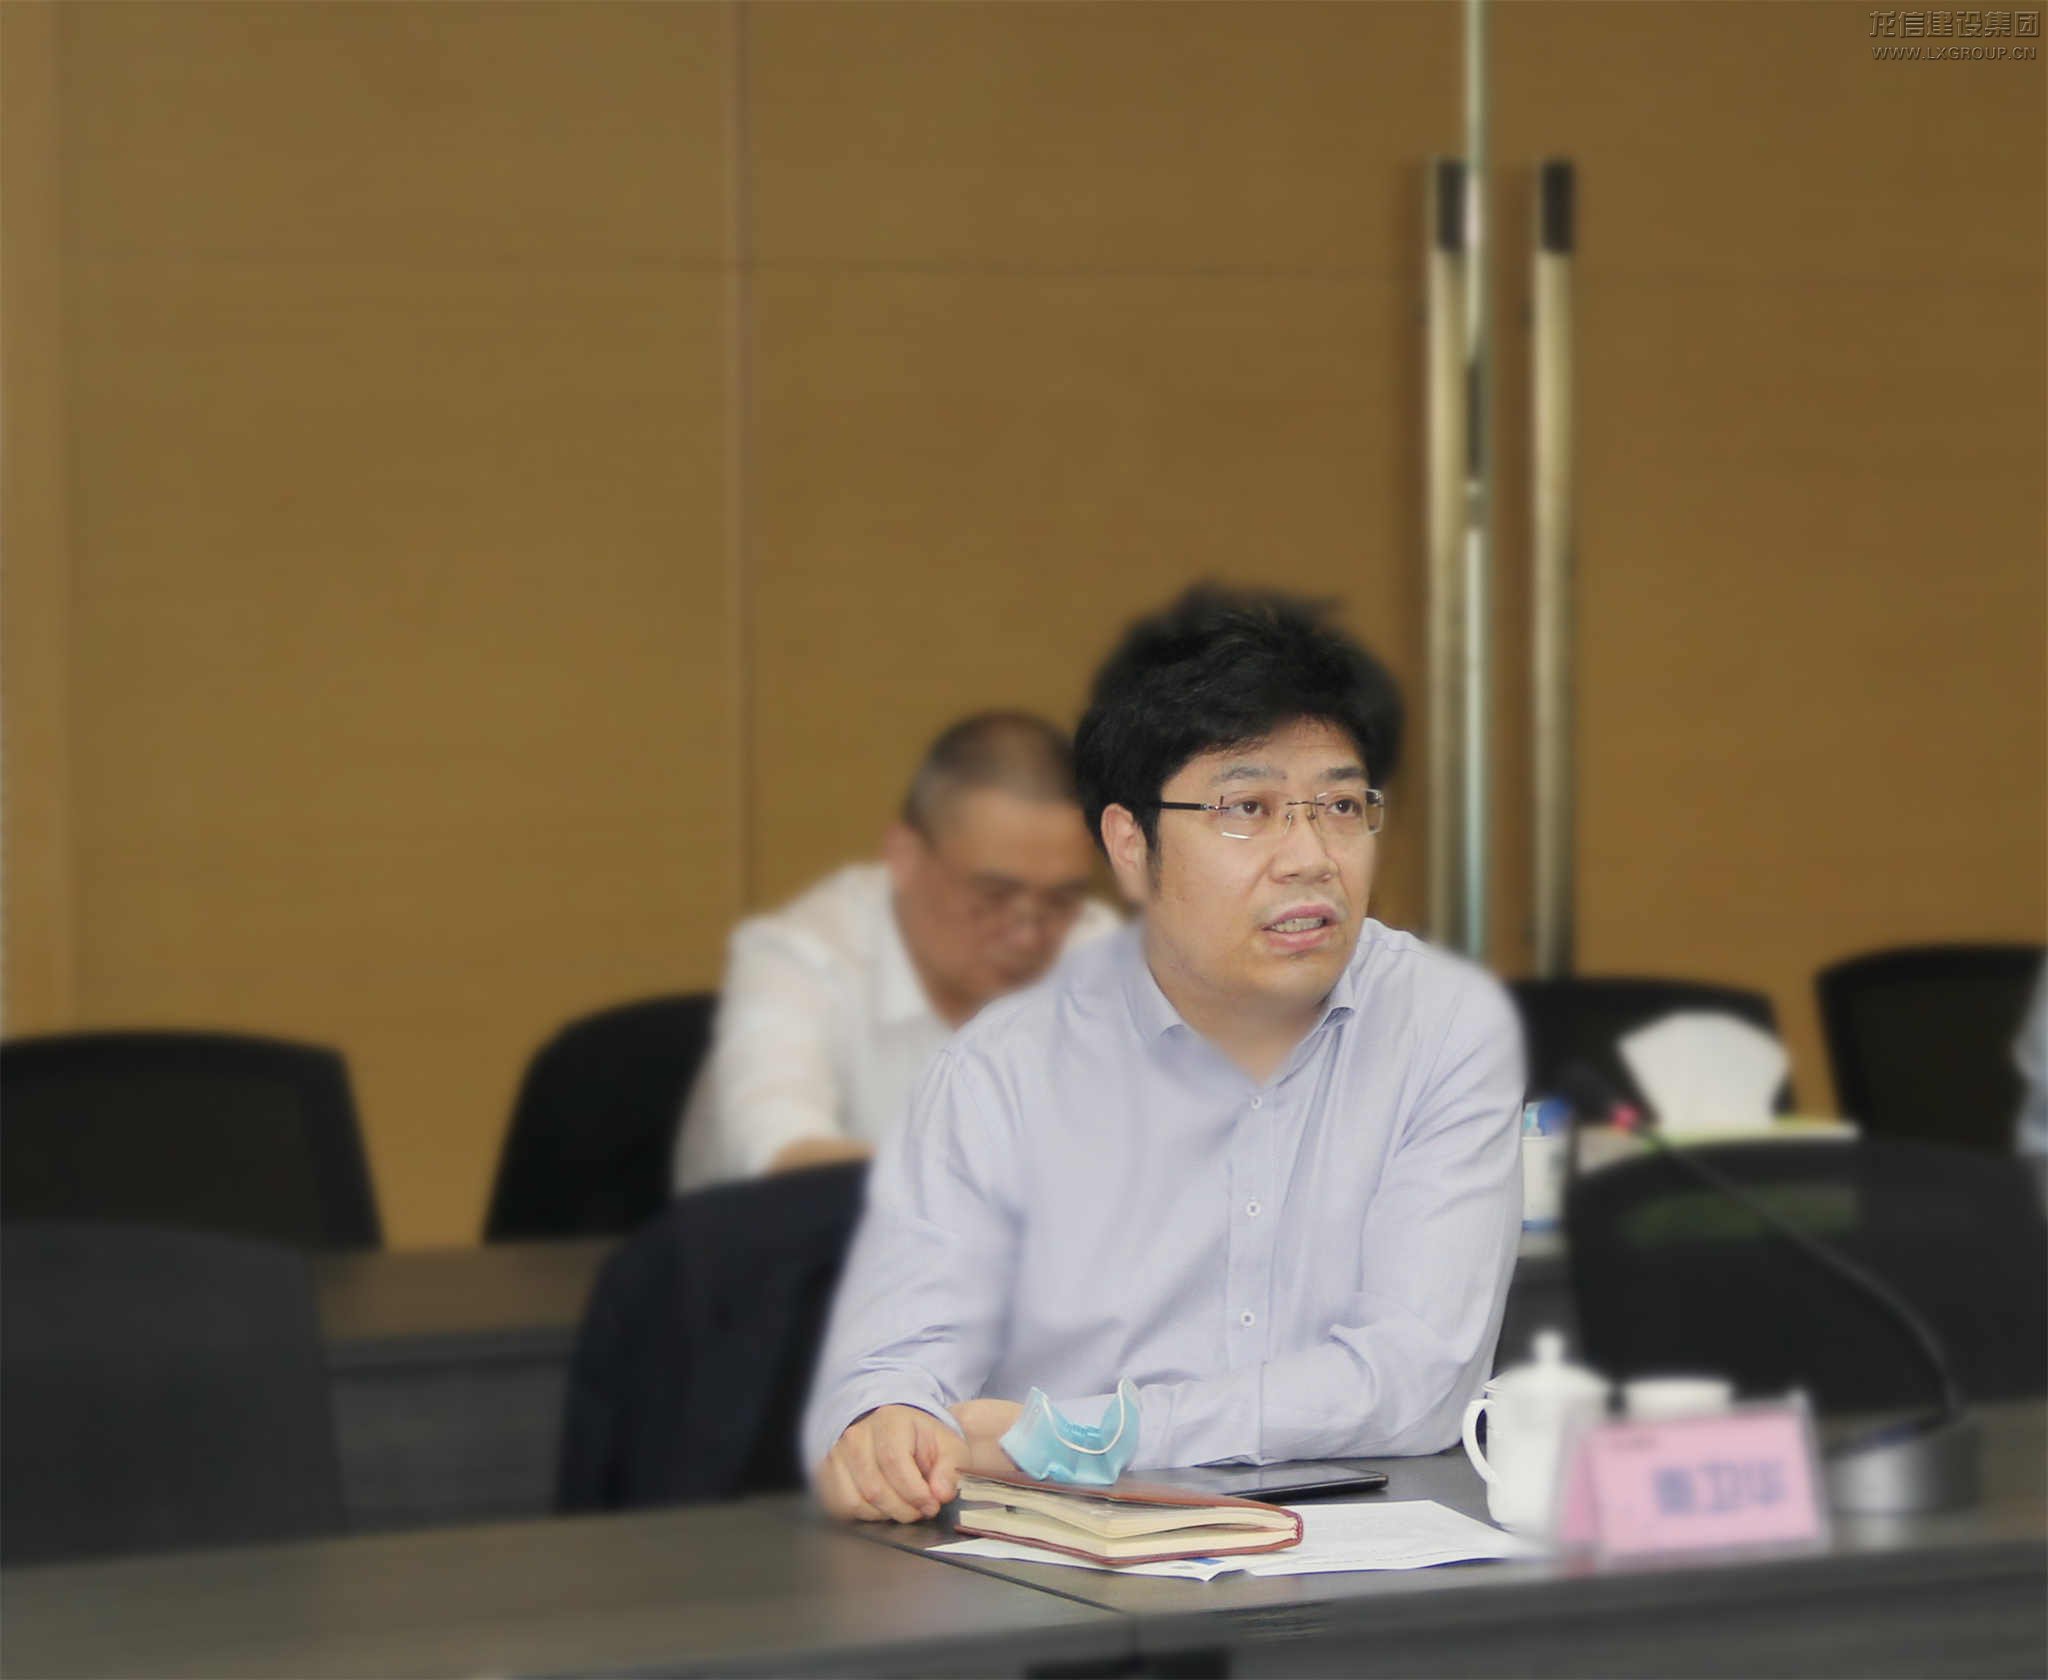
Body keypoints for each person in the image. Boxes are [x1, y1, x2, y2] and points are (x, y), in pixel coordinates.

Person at [803, 586, 1526, 1523]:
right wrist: (888, 1425)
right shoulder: (1004, 1073)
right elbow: (894, 1369)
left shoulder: (1444, 1027)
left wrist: (1080, 1435)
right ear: (1129, 844)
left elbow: (1416, 1381)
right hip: (1068, 1572)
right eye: (1248, 808)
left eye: (1342, 806)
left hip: (1362, 1561)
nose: (1310, 856)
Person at [672, 712, 1119, 1191]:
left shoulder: (1094, 949)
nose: (1028, 934)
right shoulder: (796, 958)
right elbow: (783, 1160)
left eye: (1062, 899)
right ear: (905, 856)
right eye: (994, 895)